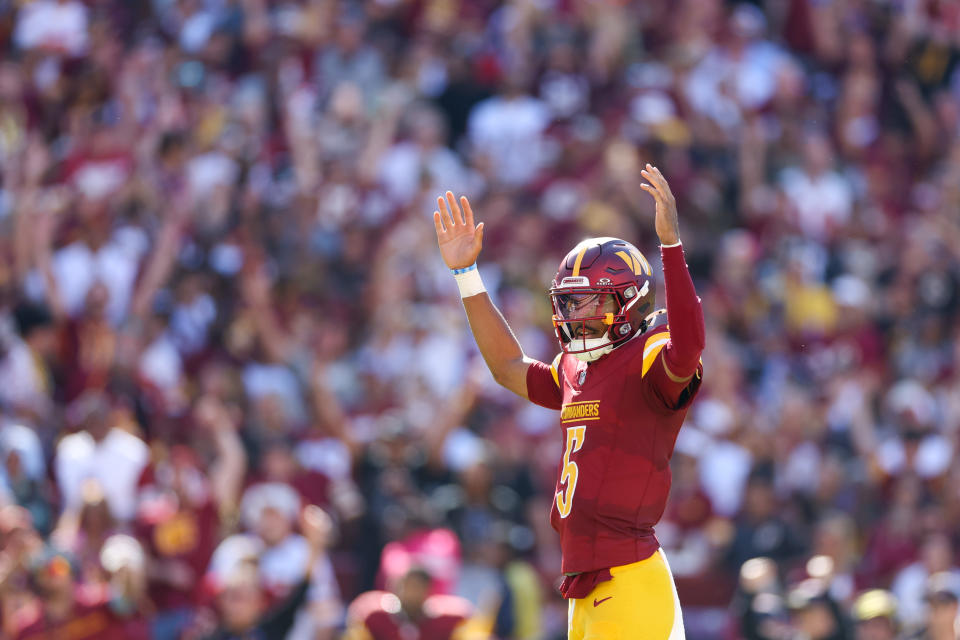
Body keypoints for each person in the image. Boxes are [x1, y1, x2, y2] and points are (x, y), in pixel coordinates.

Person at [432, 164, 705, 639]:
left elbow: (688, 349)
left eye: (590, 303)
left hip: (631, 579)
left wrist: (671, 246)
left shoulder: (647, 355)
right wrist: (466, 275)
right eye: (569, 302)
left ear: (629, 303)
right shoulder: (578, 367)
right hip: (585, 586)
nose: (575, 315)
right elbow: (508, 369)